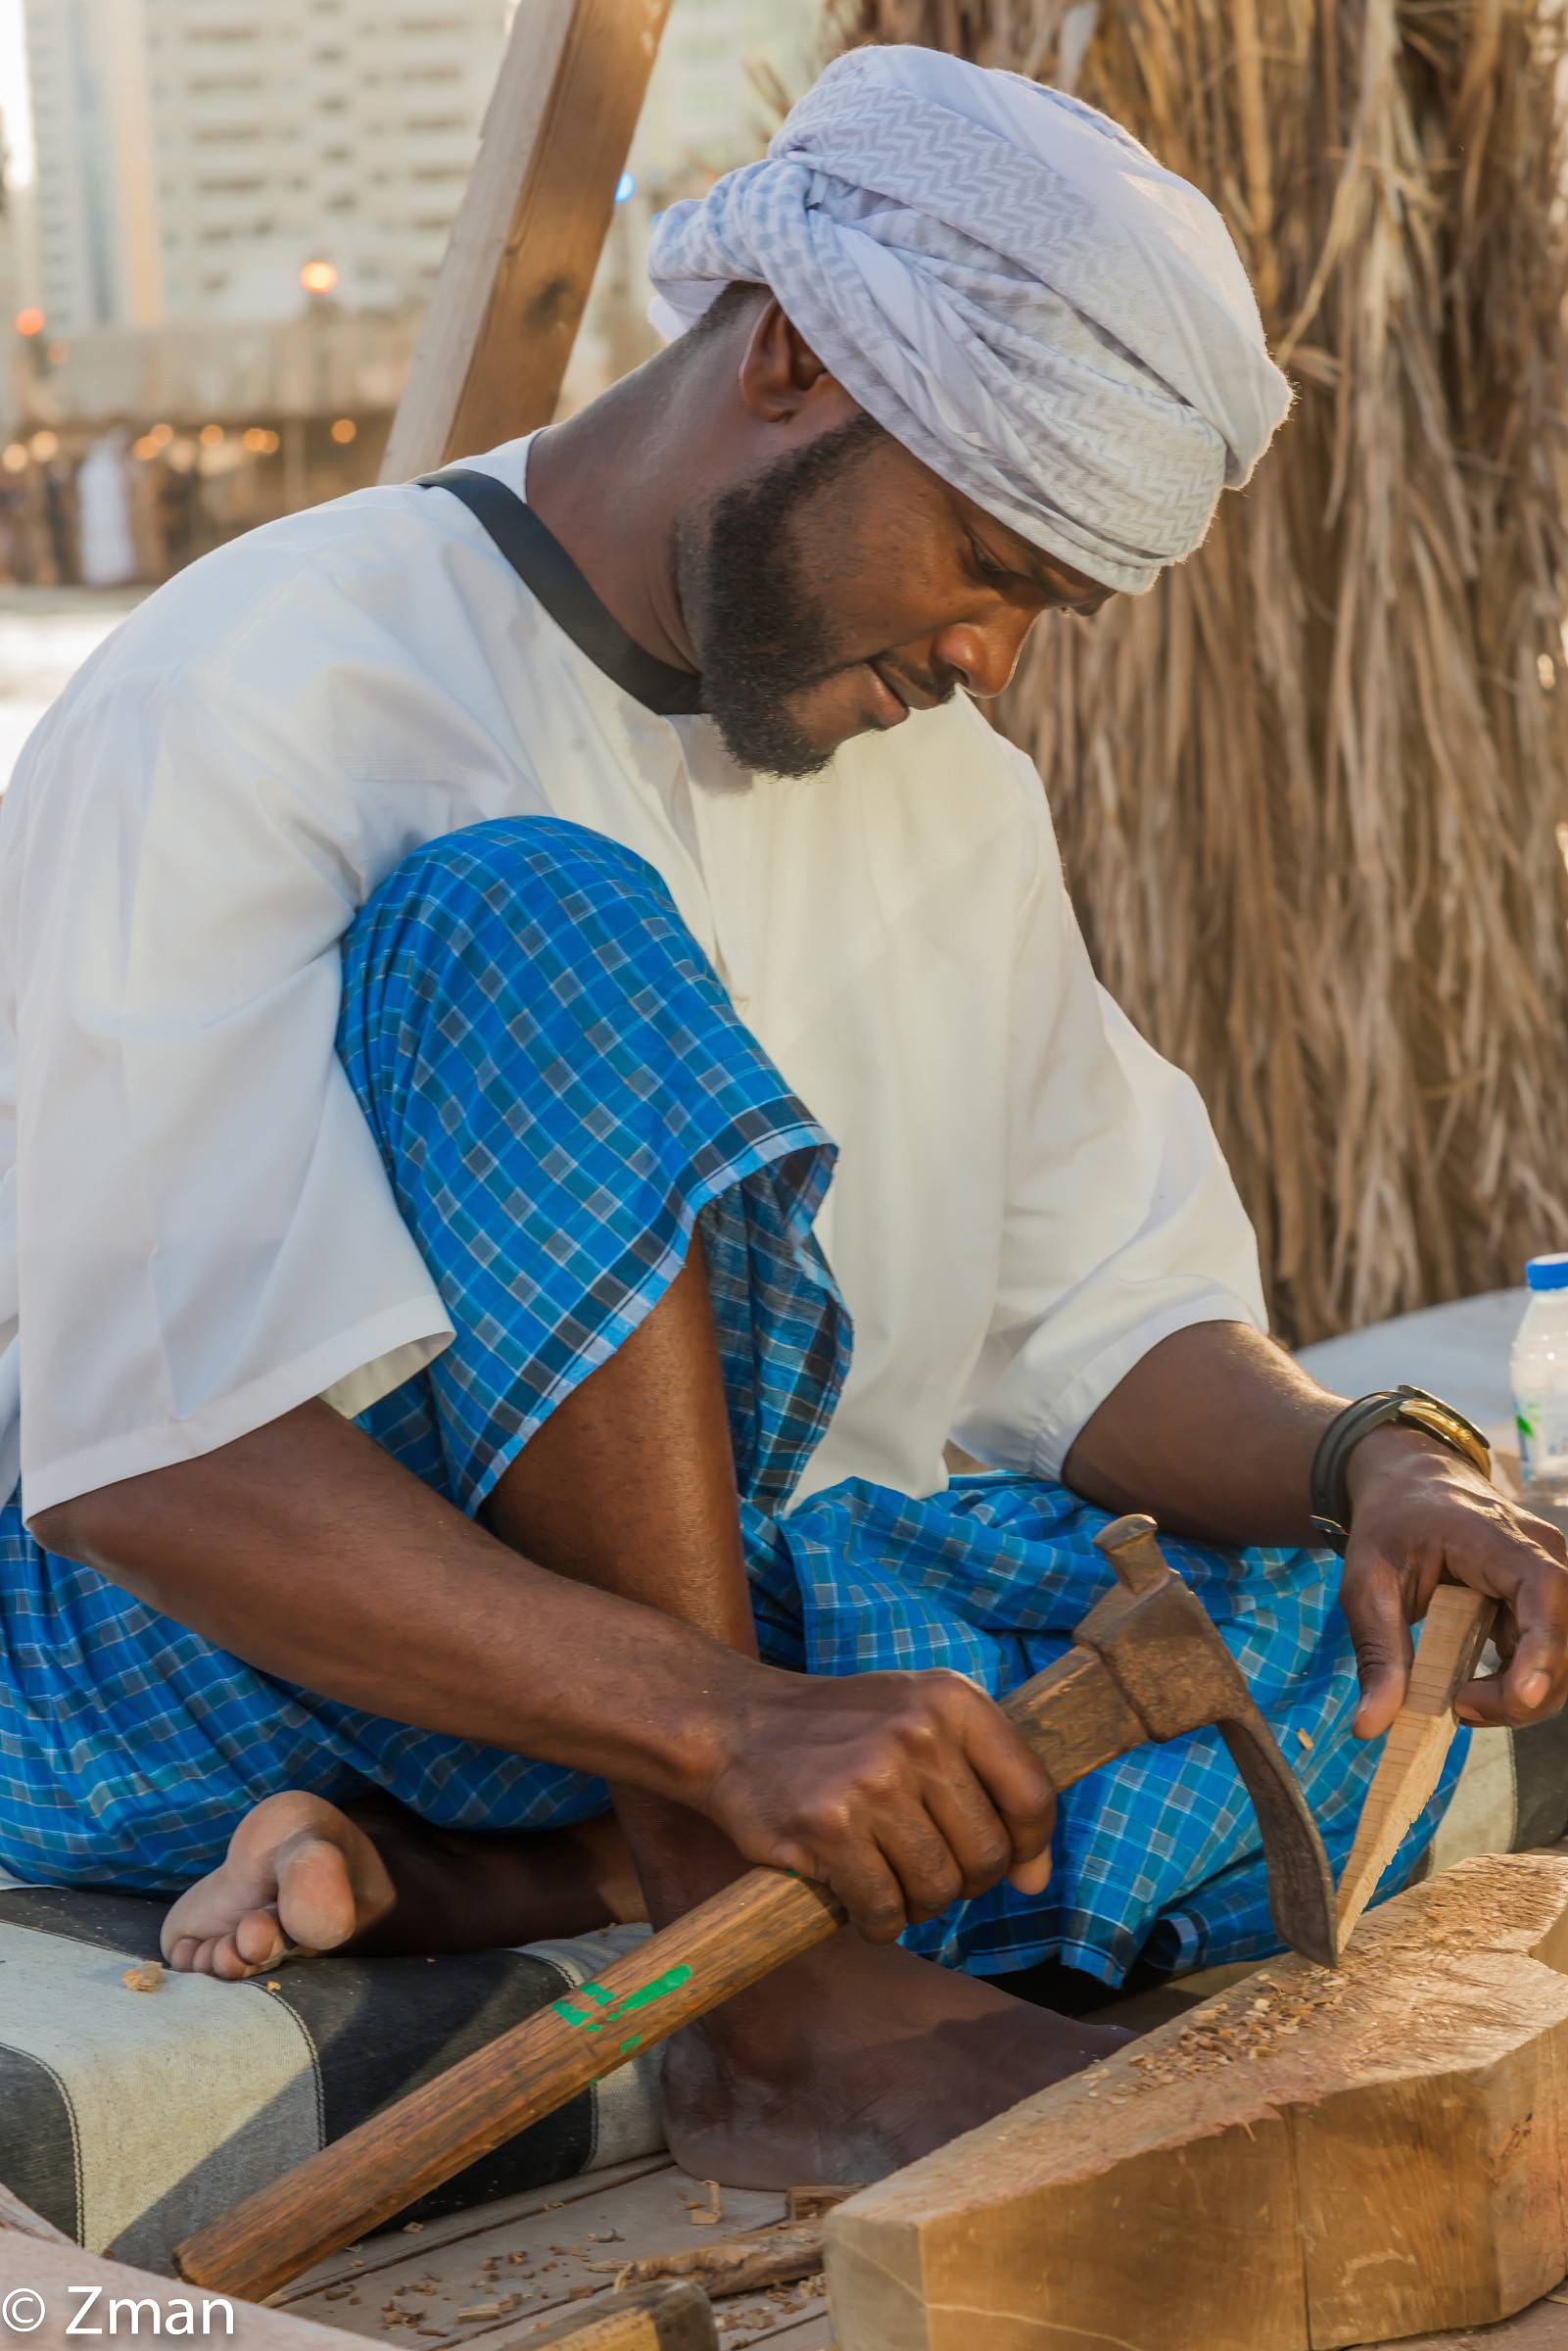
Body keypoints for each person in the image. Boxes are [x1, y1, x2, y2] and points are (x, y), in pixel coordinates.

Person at [1, 48, 1564, 2186]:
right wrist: (731, 1729)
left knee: (1295, 1632)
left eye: (1050, 612)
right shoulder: (272, 681)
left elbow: (1096, 1330)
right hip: (222, 1627)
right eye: (989, 561)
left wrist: (1379, 1458)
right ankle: (770, 2001)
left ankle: (491, 1881)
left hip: (725, 1643)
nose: (997, 660)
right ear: (797, 357)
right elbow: (156, 1458)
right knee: (527, 922)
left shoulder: (959, 802)